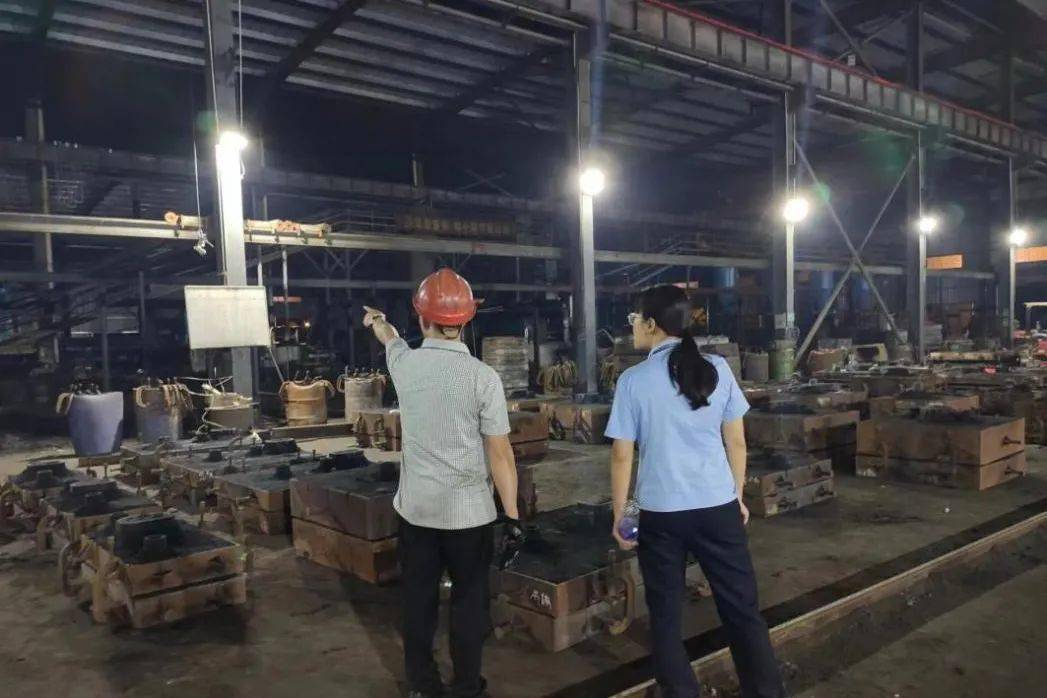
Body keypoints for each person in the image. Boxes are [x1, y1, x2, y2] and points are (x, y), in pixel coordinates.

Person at [605, 285, 786, 698]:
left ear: (651, 324)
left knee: (666, 616)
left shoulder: (633, 381)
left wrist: (623, 515)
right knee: (742, 610)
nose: (633, 327)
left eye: (635, 320)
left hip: (660, 516)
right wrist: (736, 496)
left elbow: (622, 455)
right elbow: (736, 442)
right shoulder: (717, 369)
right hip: (717, 509)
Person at [362, 268, 523, 698]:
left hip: (418, 513)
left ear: (422, 318)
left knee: (418, 602)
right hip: (469, 516)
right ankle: (467, 686)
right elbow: (500, 454)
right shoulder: (483, 378)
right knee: (469, 603)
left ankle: (422, 686)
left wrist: (377, 321)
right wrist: (512, 516)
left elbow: (390, 339)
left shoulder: (406, 365)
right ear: (466, 320)